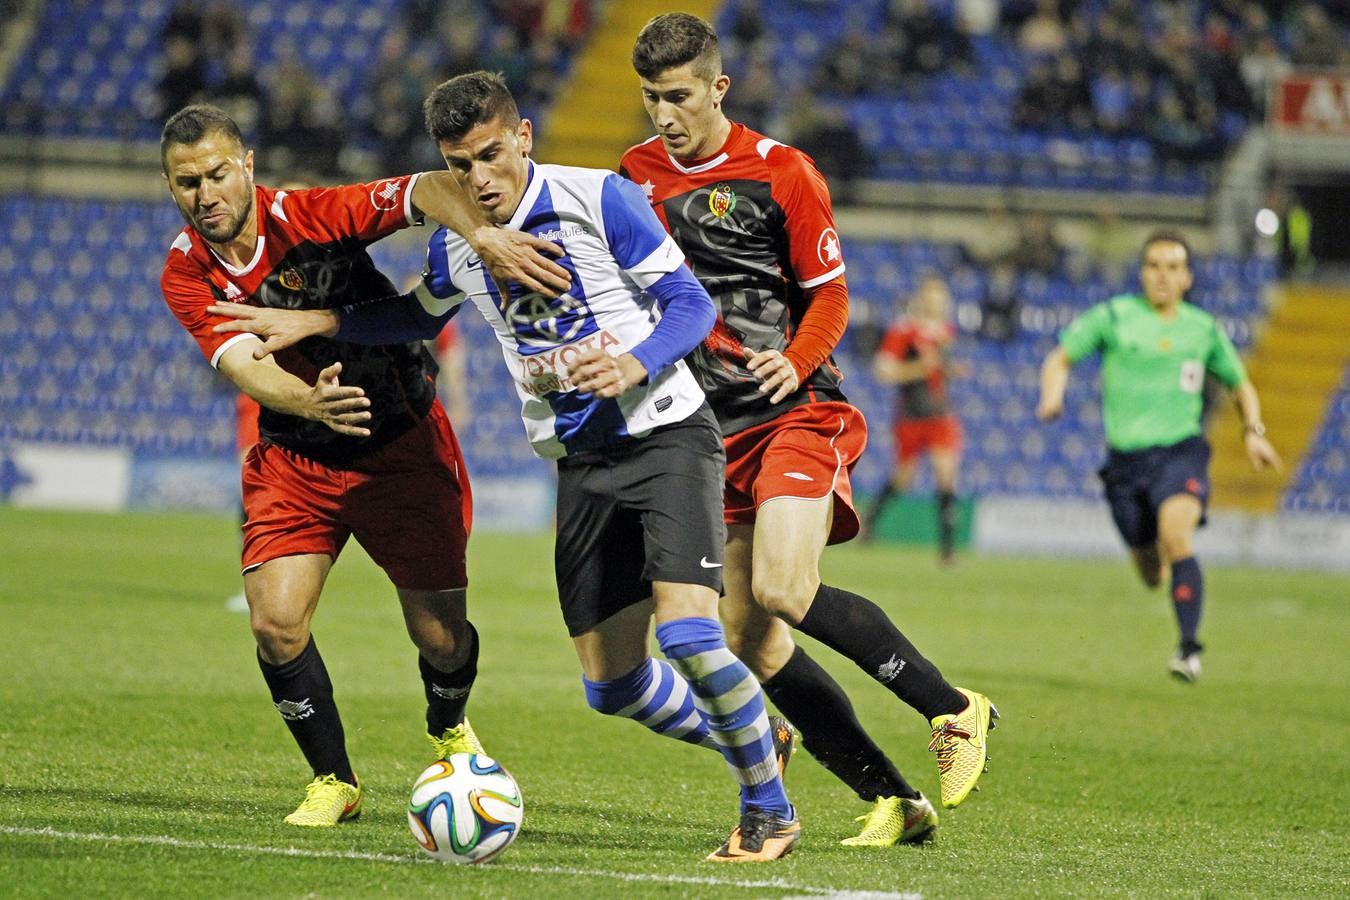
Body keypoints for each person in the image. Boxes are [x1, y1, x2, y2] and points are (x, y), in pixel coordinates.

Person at [208, 72, 800, 863]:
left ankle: (770, 809)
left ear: (523, 137)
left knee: (689, 635)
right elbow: (417, 314)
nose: (479, 179)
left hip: (665, 434)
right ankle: (760, 733)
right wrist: (319, 318)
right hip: (582, 464)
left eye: (491, 155)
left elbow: (692, 307)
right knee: (613, 686)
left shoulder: (601, 199)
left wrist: (633, 362)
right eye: (460, 165)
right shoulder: (459, 244)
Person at [619, 13, 997, 845]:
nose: (665, 115)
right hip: (709, 431)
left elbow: (830, 292)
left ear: (718, 87)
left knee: (783, 590)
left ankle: (953, 707)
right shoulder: (634, 176)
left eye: (679, 96)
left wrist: (794, 359)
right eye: (651, 99)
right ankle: (897, 801)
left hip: (797, 410)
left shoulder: (782, 171)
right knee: (747, 642)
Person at [158, 103, 570, 827]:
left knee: (441, 639)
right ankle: (333, 781)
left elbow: (424, 189)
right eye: (187, 182)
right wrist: (306, 402)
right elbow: (244, 367)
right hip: (297, 456)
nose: (206, 193)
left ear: (247, 165)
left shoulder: (314, 214)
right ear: (171, 187)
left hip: (401, 448)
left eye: (218, 173)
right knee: (276, 623)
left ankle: (447, 725)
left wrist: (483, 236)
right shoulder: (185, 272)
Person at [1036, 231, 1282, 682]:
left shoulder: (1202, 328)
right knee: (1151, 572)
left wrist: (1254, 431)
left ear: (1187, 277)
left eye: (1173, 267)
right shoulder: (1115, 316)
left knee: (1177, 536)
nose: (1162, 275)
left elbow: (1239, 383)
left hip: (1180, 454)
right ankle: (1173, 576)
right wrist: (1052, 396)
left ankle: (1188, 648)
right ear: (1142, 272)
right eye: (1153, 265)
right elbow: (1059, 358)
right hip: (1125, 467)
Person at [867, 275, 968, 563]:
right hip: (910, 416)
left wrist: (950, 370)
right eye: (933, 295)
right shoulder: (904, 332)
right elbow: (884, 371)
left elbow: (939, 369)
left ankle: (948, 549)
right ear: (923, 298)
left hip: (941, 415)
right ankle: (870, 522)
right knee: (903, 478)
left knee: (946, 477)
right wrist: (920, 368)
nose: (938, 301)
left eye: (941, 296)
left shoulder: (947, 333)